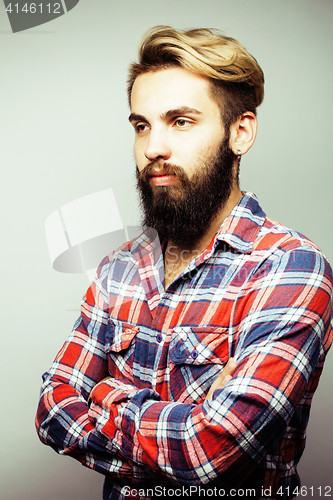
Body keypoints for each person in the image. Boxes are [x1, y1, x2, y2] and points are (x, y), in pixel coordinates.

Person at [35, 26, 333, 500]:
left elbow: (210, 451)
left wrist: (107, 395)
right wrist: (181, 422)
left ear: (241, 133)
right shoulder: (118, 269)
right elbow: (52, 410)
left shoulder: (290, 268)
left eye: (180, 121)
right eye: (141, 125)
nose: (153, 147)